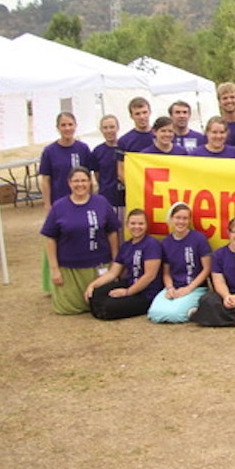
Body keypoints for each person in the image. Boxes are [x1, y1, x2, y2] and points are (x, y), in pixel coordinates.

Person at [40, 166, 120, 315]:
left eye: (84, 180)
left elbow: (112, 232)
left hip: (99, 264)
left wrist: (116, 260)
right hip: (70, 268)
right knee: (69, 308)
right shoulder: (59, 206)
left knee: (101, 303)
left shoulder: (101, 202)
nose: (80, 184)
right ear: (69, 183)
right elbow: (50, 238)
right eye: (76, 181)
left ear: (90, 182)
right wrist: (54, 269)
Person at [85, 209, 163, 320]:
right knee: (95, 294)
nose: (136, 227)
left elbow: (149, 276)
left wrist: (127, 292)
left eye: (140, 223)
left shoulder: (151, 244)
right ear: (127, 225)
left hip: (146, 293)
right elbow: (113, 273)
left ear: (146, 225)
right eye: (133, 223)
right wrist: (92, 285)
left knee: (108, 307)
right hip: (130, 283)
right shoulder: (126, 246)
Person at [148, 202, 212, 323]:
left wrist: (189, 288)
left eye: (185, 218)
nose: (181, 222)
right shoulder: (166, 243)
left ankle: (195, 311)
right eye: (178, 218)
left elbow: (207, 269)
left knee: (174, 315)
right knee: (154, 314)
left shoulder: (199, 238)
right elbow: (166, 272)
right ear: (171, 219)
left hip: (196, 288)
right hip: (175, 286)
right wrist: (170, 288)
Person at [40, 111, 91, 211]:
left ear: (75, 126)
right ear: (58, 127)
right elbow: (45, 180)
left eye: (70, 124)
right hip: (59, 201)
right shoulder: (49, 151)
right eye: (63, 125)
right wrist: (47, 204)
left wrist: (91, 199)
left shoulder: (83, 148)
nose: (67, 128)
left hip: (82, 200)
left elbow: (89, 177)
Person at [88, 114, 125, 219]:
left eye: (112, 127)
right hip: (107, 199)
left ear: (117, 128)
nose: (109, 131)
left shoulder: (125, 148)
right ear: (101, 130)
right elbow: (97, 176)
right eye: (105, 128)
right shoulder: (97, 151)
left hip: (125, 198)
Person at [116, 97, 154, 183]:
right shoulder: (124, 141)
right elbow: (121, 171)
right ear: (131, 116)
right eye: (137, 114)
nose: (142, 117)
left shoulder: (160, 137)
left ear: (150, 112)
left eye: (144, 112)